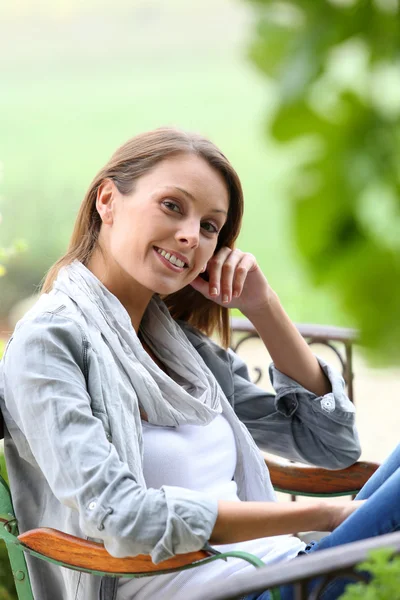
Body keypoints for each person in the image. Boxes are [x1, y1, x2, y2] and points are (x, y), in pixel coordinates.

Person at [0, 127, 398, 600]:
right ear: (107, 200)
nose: (191, 235)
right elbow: (119, 516)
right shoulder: (50, 342)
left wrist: (263, 304)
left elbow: (330, 444)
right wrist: (325, 516)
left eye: (210, 226)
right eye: (172, 206)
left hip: (282, 568)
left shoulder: (175, 345)